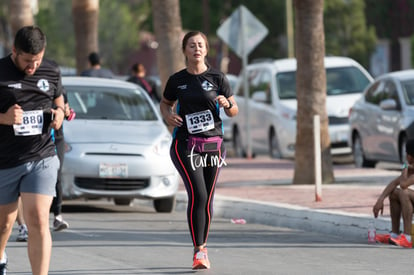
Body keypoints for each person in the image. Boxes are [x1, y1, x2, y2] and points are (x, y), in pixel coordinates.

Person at [159, 31, 238, 270]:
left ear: (206, 49)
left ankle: (202, 247)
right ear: (185, 50)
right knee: (199, 195)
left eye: (201, 45)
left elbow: (234, 109)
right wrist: (168, 117)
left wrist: (227, 104)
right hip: (185, 145)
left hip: (213, 144)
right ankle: (199, 251)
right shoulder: (177, 80)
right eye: (192, 45)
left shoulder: (217, 77)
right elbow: (165, 103)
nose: (197, 49)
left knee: (208, 197)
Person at [0, 25, 65, 275]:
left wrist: (59, 113)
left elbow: (59, 101)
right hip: (5, 159)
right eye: (27, 61)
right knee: (4, 224)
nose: (32, 67)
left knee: (38, 219)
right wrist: (4, 118)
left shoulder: (51, 71)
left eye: (36, 61)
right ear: (14, 50)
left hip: (42, 155)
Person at [373, 138, 414, 248]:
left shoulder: (409, 168)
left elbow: (403, 184)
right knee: (394, 192)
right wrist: (380, 200)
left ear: (409, 156)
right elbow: (393, 183)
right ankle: (395, 234)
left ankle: (407, 238)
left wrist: (405, 167)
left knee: (403, 192)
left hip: (406, 190)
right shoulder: (411, 168)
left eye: (406, 154)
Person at [50, 96, 74, 232]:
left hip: (57, 139)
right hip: (39, 137)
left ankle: (57, 216)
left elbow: (70, 115)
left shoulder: (60, 88)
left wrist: (67, 112)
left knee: (56, 175)